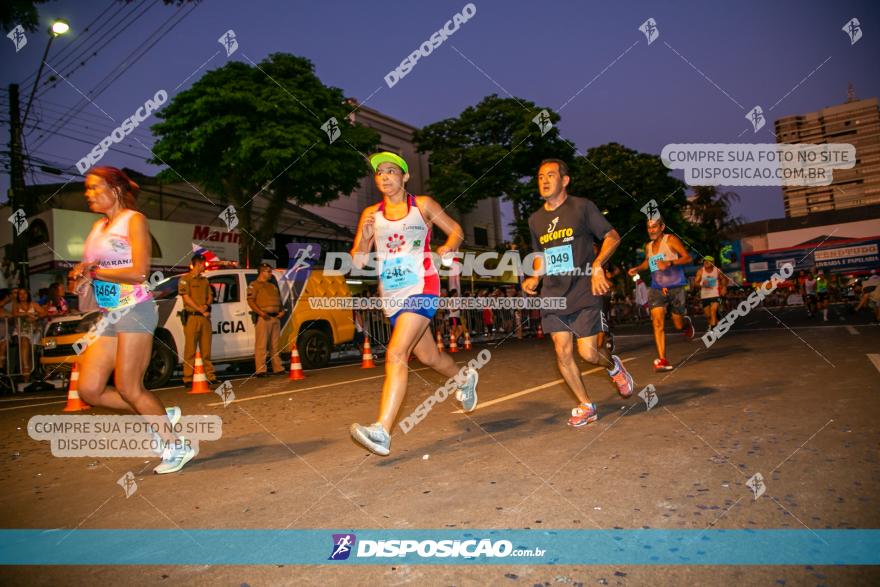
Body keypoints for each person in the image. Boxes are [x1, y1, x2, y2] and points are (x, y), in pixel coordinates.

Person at [349, 151, 478, 455]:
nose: (385, 177)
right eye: (380, 173)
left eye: (392, 171)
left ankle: (382, 430)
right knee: (429, 357)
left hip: (422, 286)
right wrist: (365, 238)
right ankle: (465, 377)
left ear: (404, 177)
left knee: (396, 353)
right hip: (392, 296)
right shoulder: (370, 213)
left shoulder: (422, 205)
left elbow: (457, 230)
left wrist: (447, 246)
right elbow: (358, 261)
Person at [68, 166, 193, 475]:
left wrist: (95, 272)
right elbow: (98, 265)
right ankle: (160, 413)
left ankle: (177, 446)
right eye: (88, 188)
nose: (89, 194)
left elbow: (138, 271)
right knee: (89, 390)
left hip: (136, 309)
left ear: (115, 190)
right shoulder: (99, 227)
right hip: (109, 313)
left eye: (96, 188)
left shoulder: (133, 220)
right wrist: (82, 273)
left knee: (128, 387)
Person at [521, 159, 634, 428]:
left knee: (588, 353)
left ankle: (613, 366)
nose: (544, 180)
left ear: (565, 180)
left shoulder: (582, 207)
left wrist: (597, 266)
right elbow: (541, 255)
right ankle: (586, 405)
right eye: (539, 176)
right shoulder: (535, 219)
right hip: (553, 293)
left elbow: (612, 236)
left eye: (550, 175)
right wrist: (535, 277)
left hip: (583, 288)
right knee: (562, 353)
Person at [627, 216, 694, 372]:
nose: (651, 230)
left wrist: (670, 263)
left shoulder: (671, 240)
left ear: (662, 227)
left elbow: (687, 257)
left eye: (654, 227)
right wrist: (638, 268)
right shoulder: (648, 246)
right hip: (657, 288)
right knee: (657, 323)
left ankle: (685, 324)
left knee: (677, 324)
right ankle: (663, 359)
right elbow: (648, 262)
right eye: (649, 227)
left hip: (676, 287)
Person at [178, 253, 218, 385]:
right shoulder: (185, 279)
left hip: (205, 318)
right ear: (198, 264)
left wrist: (206, 306)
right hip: (192, 318)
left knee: (206, 349)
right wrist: (199, 309)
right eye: (203, 264)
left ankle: (210, 376)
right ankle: (188, 378)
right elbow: (186, 298)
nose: (204, 267)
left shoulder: (205, 280)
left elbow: (210, 296)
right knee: (190, 350)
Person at [247, 263, 286, 377]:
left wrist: (282, 310)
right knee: (261, 345)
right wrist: (261, 313)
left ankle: (277, 368)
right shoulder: (254, 285)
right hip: (264, 318)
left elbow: (279, 300)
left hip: (275, 318)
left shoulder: (272, 286)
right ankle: (261, 370)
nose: (270, 274)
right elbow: (250, 301)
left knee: (275, 345)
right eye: (268, 271)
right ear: (262, 272)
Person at [694, 256, 726, 330]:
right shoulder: (700, 271)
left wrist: (724, 287)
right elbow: (695, 283)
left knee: (713, 311)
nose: (706, 262)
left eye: (708, 261)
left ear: (713, 263)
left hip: (715, 294)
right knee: (708, 316)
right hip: (705, 296)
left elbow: (723, 279)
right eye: (705, 261)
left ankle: (714, 330)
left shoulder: (717, 270)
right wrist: (702, 284)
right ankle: (715, 323)